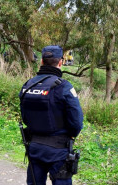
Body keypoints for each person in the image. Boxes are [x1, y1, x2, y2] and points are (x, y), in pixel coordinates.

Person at [19, 45, 83, 185]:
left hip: (35, 148)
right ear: (60, 62)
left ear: (41, 61)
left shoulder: (27, 85)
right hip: (59, 151)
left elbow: (25, 118)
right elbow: (77, 123)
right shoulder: (64, 87)